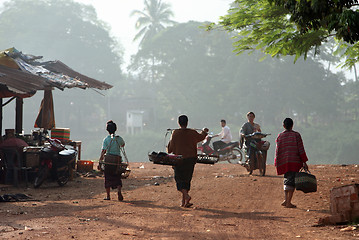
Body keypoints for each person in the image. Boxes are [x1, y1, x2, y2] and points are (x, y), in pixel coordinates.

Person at [167, 115, 208, 208]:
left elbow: (169, 149)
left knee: (179, 180)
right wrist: (204, 131)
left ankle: (186, 196)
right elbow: (201, 137)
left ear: (178, 123)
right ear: (187, 122)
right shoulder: (192, 132)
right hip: (191, 159)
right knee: (187, 179)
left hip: (179, 160)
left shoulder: (175, 133)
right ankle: (184, 202)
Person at [274, 118, 308, 208]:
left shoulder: (280, 136)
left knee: (286, 179)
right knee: (292, 182)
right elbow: (301, 149)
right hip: (294, 161)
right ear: (292, 125)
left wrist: (277, 162)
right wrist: (304, 161)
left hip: (284, 161)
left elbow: (277, 151)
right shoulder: (296, 135)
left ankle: (286, 199)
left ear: (284, 126)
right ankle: (288, 202)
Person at [98, 120, 125, 201]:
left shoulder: (106, 139)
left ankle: (108, 196)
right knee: (117, 176)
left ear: (107, 130)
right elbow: (123, 145)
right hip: (117, 160)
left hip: (108, 161)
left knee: (108, 177)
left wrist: (100, 160)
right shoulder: (118, 138)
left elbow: (103, 151)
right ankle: (119, 191)